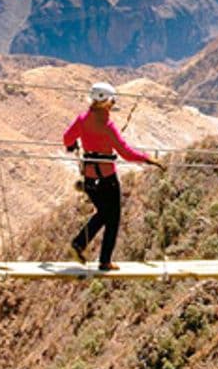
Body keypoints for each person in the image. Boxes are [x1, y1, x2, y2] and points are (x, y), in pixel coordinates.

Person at [63, 82, 165, 271]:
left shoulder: (82, 119)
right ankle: (102, 260)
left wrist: (72, 145)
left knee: (103, 213)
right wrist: (148, 159)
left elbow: (67, 137)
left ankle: (81, 245)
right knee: (113, 217)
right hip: (107, 179)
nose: (113, 104)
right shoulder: (108, 126)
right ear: (106, 102)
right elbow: (126, 152)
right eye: (112, 101)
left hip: (90, 178)